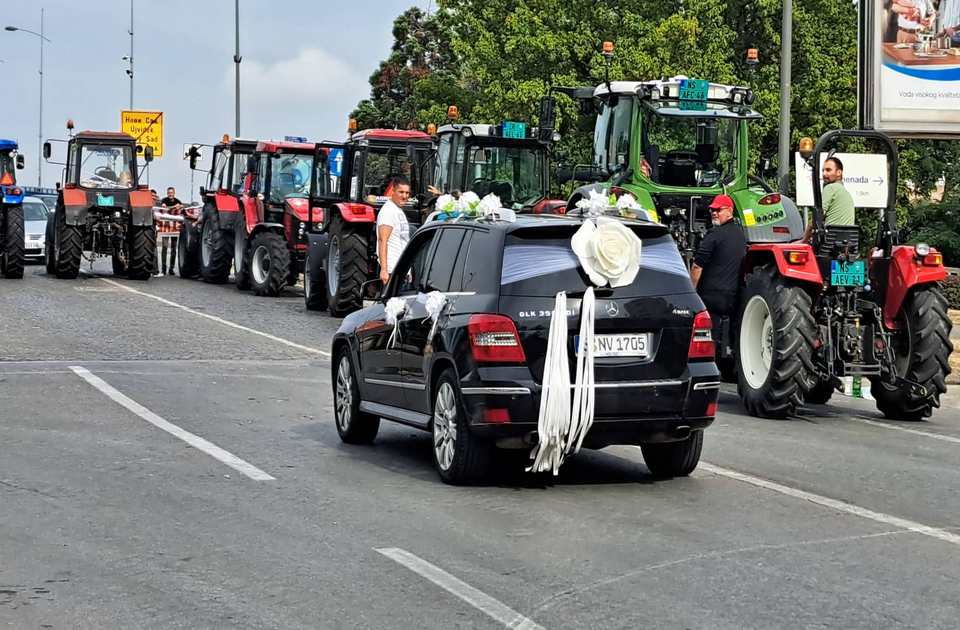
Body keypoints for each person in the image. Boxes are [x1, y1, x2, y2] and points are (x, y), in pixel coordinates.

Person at [690, 194, 747, 319]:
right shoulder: (741, 235)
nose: (714, 213)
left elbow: (697, 266)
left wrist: (691, 293)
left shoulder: (714, 235)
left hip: (710, 299)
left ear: (730, 211)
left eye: (718, 210)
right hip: (733, 299)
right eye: (712, 210)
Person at [803, 156, 855, 242]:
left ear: (839, 172)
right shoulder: (845, 192)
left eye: (828, 170)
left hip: (830, 243)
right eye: (823, 170)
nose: (824, 174)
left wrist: (804, 239)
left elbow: (817, 217)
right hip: (847, 243)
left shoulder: (830, 188)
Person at [377, 176, 411, 285]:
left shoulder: (398, 211)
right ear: (393, 191)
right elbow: (383, 240)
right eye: (401, 192)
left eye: (407, 193)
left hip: (401, 270)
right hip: (392, 270)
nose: (404, 196)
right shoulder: (388, 211)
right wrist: (384, 270)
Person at [158, 187, 182, 276]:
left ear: (174, 193)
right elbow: (164, 209)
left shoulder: (178, 200)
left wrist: (178, 207)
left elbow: (181, 209)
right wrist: (173, 207)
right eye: (169, 192)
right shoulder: (164, 200)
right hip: (166, 227)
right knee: (164, 247)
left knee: (173, 249)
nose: (170, 194)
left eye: (171, 192)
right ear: (167, 193)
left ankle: (171, 268)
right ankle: (163, 269)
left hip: (174, 228)